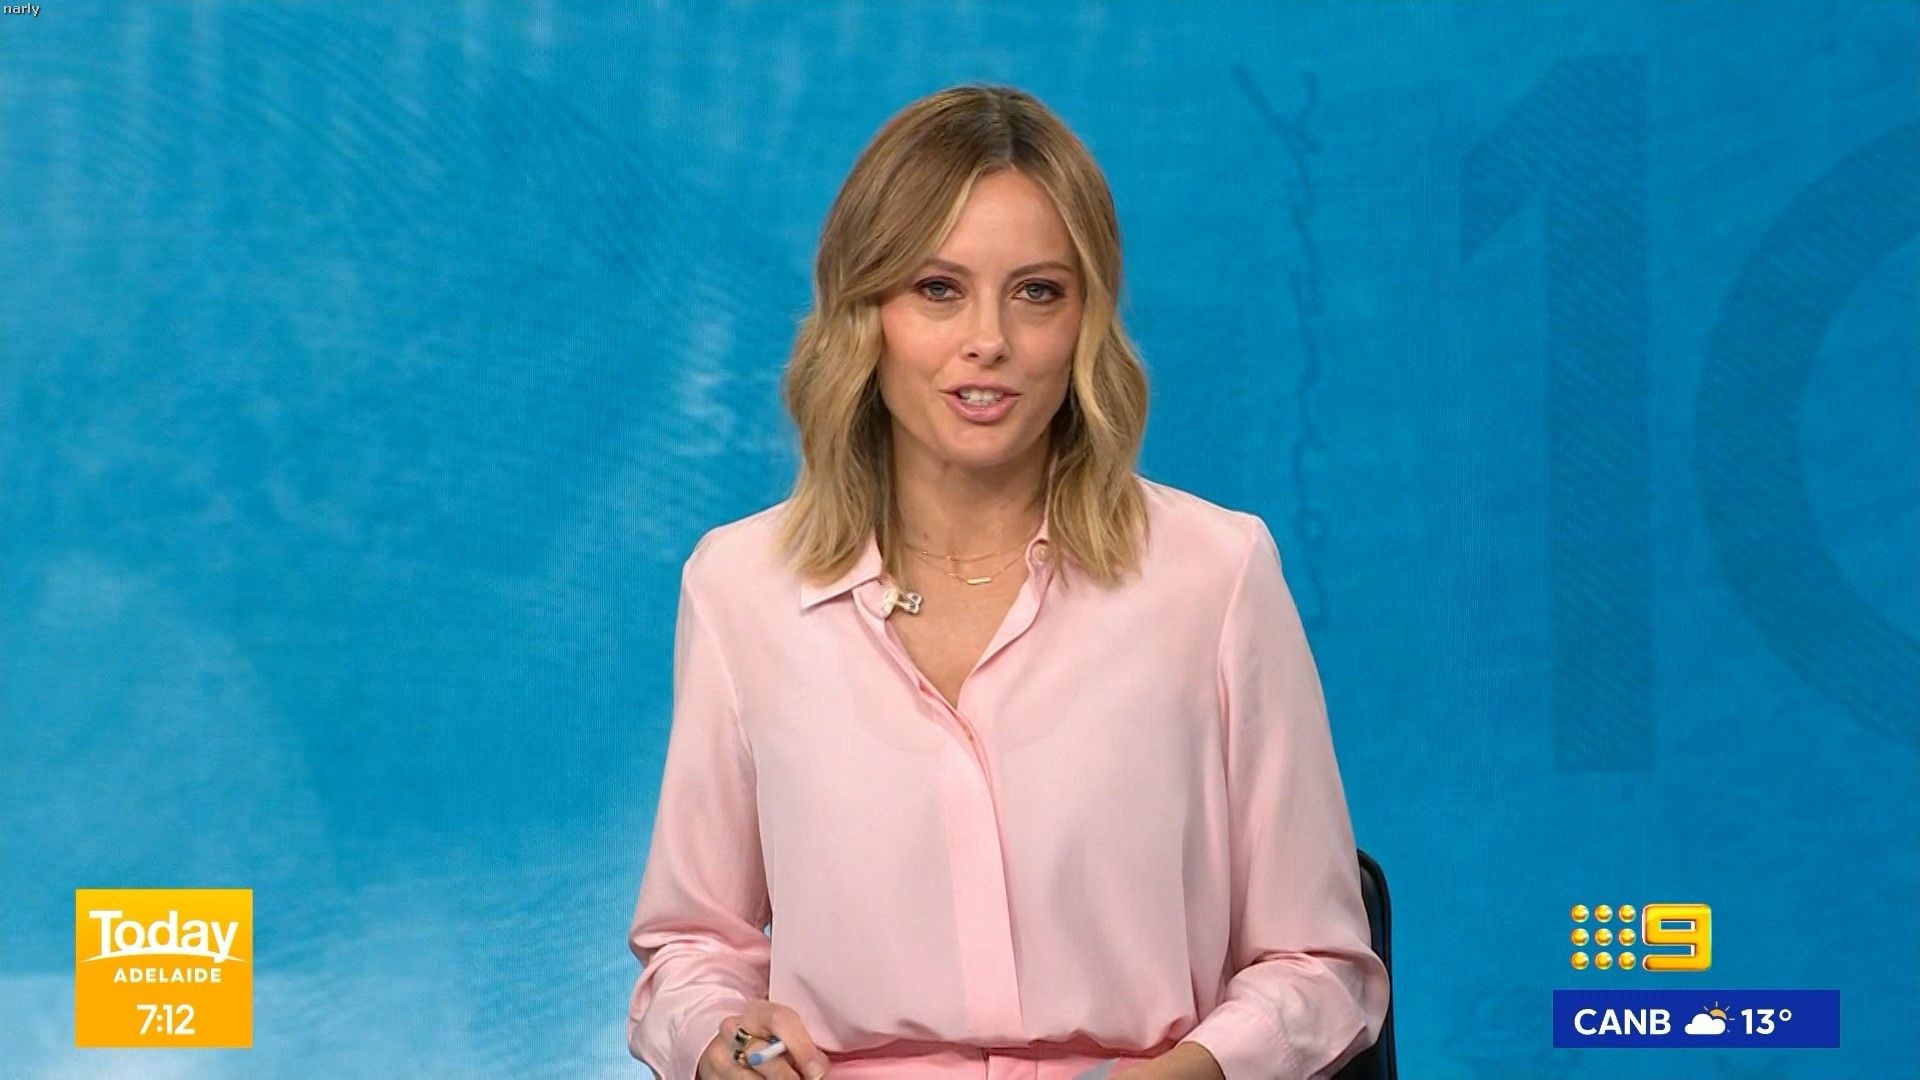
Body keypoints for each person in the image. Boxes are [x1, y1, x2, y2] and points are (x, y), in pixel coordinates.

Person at [625, 84, 1389, 1080]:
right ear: (865, 313)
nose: (988, 339)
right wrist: (744, 1048)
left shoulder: (1216, 573)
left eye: (1036, 292)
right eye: (938, 289)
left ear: (1085, 322)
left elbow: (1323, 968)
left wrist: (1196, 1071)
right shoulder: (740, 588)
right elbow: (693, 954)